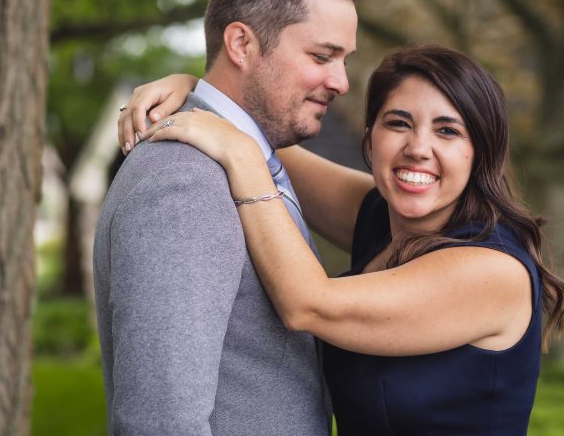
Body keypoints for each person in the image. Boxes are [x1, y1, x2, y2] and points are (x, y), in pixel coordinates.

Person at [120, 45, 564, 435]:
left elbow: (307, 304)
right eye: (398, 123)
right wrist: (196, 90)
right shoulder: (381, 216)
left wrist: (238, 157)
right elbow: (261, 137)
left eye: (447, 131)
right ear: (370, 139)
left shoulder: (491, 271)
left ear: (479, 152)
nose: (417, 147)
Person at [94, 0, 362, 435]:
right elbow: (159, 423)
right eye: (323, 55)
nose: (341, 82)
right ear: (241, 44)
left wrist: (193, 89)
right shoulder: (185, 180)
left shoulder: (245, 159)